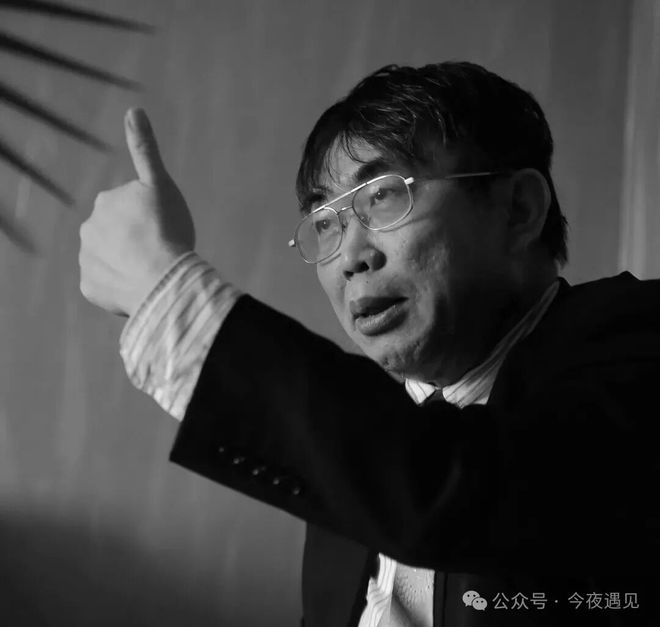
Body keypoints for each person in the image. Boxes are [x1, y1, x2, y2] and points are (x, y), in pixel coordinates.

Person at [79, 62, 660, 626]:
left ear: (518, 211)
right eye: (325, 223)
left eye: (383, 195)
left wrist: (173, 301)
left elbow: (468, 486)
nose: (351, 258)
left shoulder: (638, 341)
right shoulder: (354, 448)